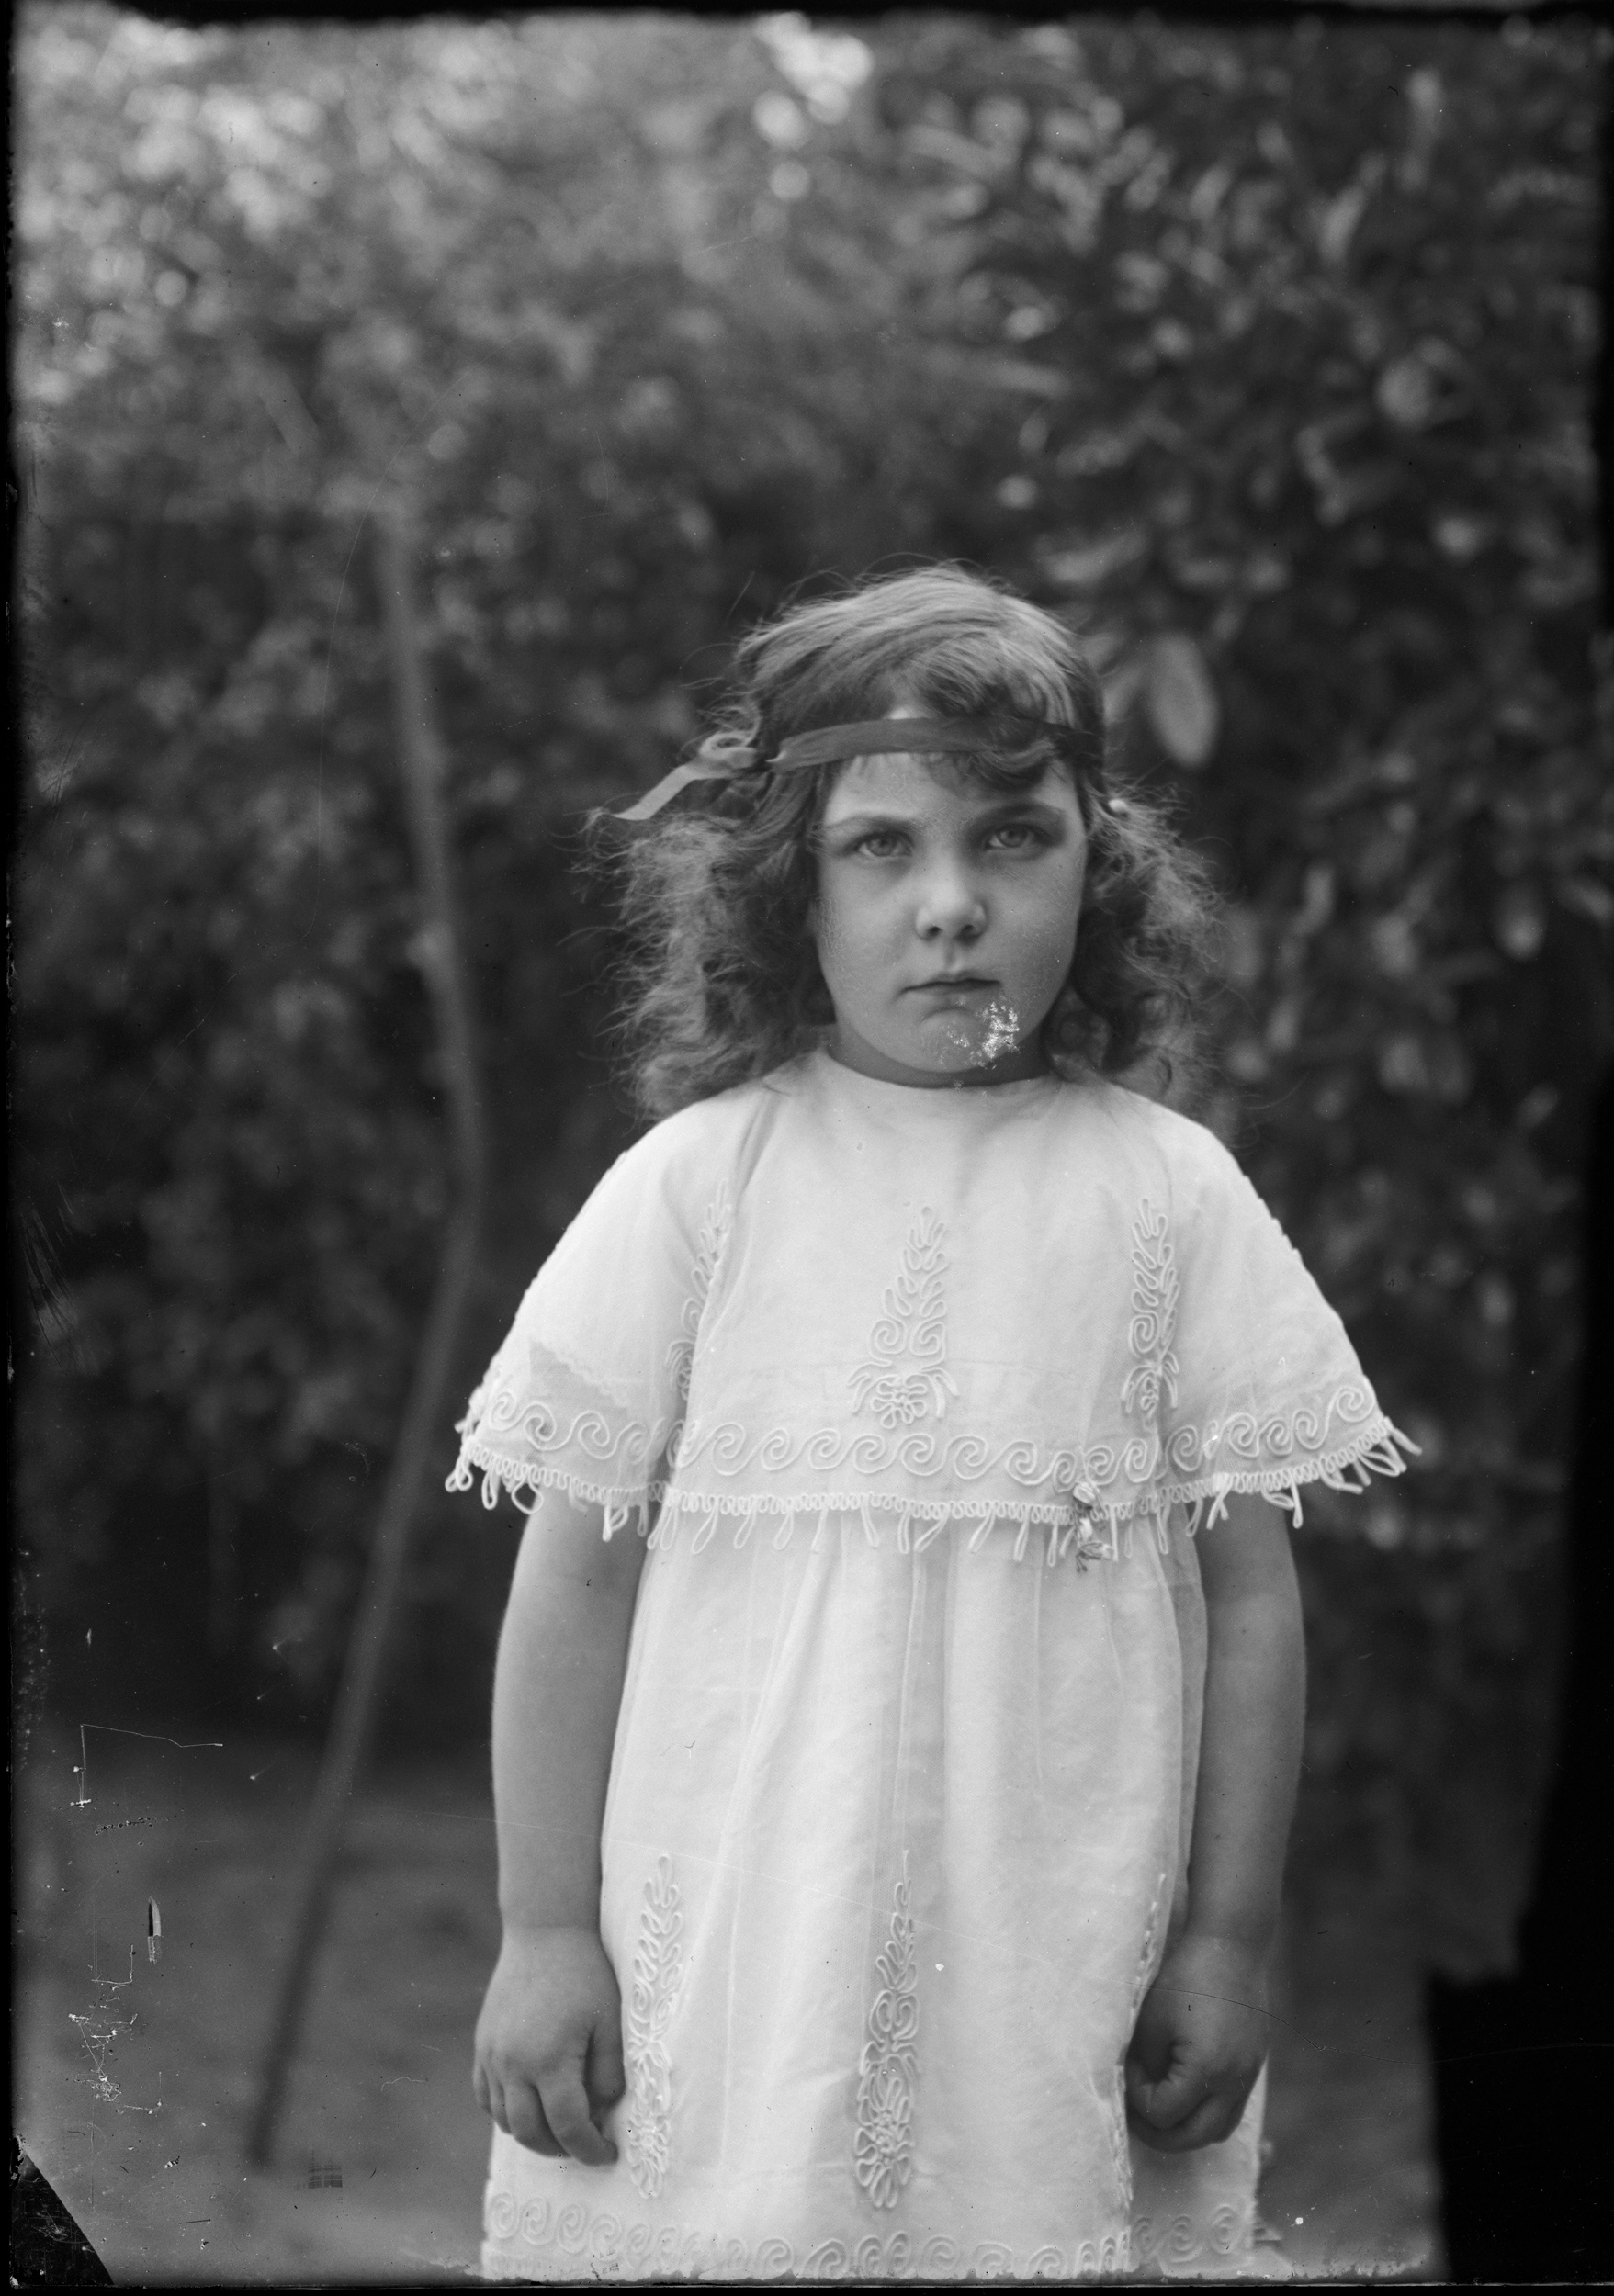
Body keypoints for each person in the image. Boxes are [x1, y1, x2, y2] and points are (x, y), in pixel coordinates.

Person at [448, 567, 1416, 2283]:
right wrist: (540, 1930)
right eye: (882, 849)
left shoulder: (1165, 1199)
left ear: (1093, 874)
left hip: (1050, 1971)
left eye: (1011, 842)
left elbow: (1251, 1600)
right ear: (787, 890)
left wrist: (1227, 1937)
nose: (951, 907)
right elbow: (573, 1584)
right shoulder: (702, 1185)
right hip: (730, 1965)